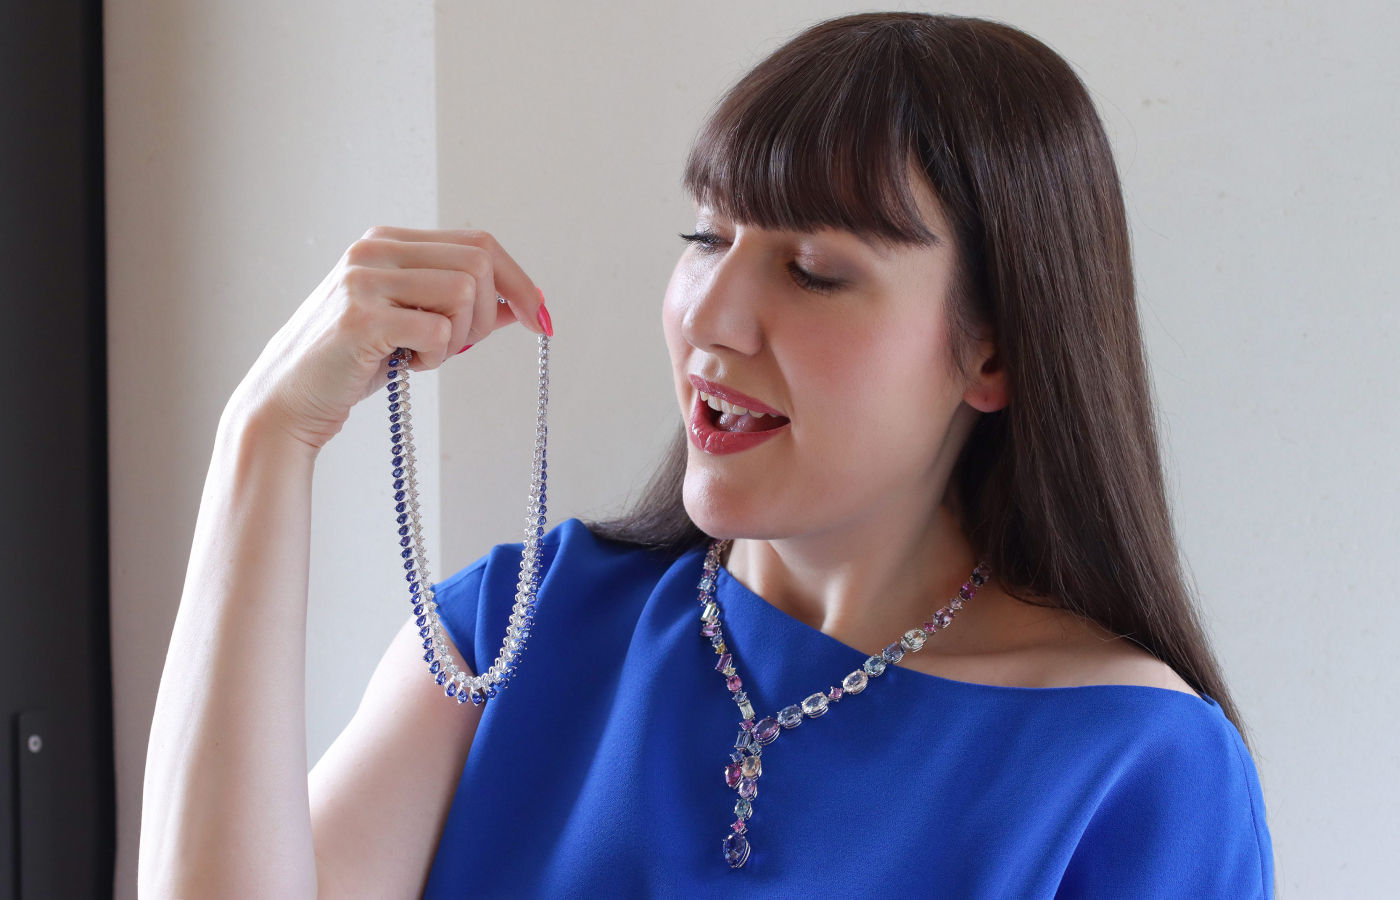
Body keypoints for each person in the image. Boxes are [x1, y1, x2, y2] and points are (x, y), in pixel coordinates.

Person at [139, 11, 1274, 900]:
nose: (711, 319)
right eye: (705, 237)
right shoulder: (516, 632)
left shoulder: (1131, 766)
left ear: (993, 352)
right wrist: (264, 439)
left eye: (814, 269)